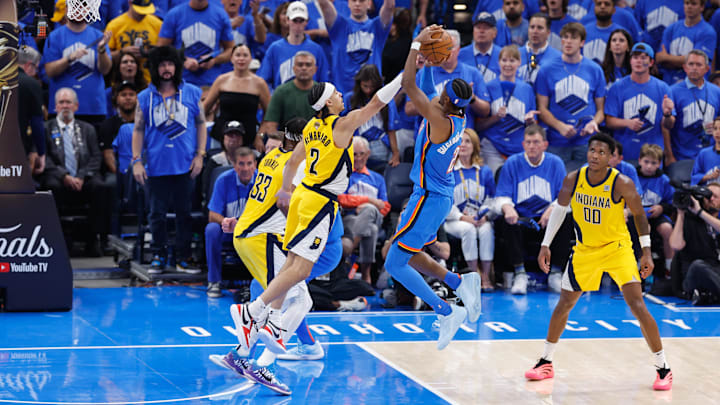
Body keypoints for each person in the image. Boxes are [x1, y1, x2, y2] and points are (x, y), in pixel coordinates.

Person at [231, 56, 405, 356]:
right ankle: (258, 316)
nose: (341, 95)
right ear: (327, 103)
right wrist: (405, 75)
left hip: (304, 199)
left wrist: (287, 190)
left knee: (289, 272)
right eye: (336, 93)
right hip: (319, 203)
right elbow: (376, 103)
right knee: (298, 279)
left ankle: (270, 326)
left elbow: (295, 161)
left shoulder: (312, 126)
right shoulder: (341, 124)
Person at [525, 132, 673, 391]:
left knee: (637, 304)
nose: (595, 155)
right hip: (585, 251)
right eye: (592, 150)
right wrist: (545, 244)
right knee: (564, 304)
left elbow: (639, 217)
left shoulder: (622, 183)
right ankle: (545, 361)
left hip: (617, 249)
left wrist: (646, 252)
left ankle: (663, 367)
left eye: (602, 152)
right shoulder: (574, 178)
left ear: (612, 158)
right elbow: (560, 210)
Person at [383, 24, 482, 351]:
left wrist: (417, 44)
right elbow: (424, 84)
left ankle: (446, 309)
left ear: (446, 100)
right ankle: (460, 282)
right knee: (410, 255)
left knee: (394, 262)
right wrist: (427, 59)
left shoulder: (438, 119)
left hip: (428, 198)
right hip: (432, 196)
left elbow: (409, 84)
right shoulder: (454, 115)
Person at [131, 46, 206, 274]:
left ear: (177, 66)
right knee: (157, 214)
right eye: (162, 64)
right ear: (155, 68)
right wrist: (136, 160)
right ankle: (158, 256)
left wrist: (200, 155)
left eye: (170, 64)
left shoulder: (192, 92)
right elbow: (138, 129)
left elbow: (201, 123)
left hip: (185, 164)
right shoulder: (144, 97)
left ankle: (183, 258)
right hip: (156, 166)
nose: (166, 69)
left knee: (184, 213)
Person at [494, 124, 570, 294]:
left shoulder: (555, 163)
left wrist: (552, 210)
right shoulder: (512, 163)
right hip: (522, 219)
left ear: (545, 144)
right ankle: (520, 273)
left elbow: (565, 196)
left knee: (565, 216)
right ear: (523, 145)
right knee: (506, 218)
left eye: (536, 142)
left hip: (546, 219)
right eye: (528, 142)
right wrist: (508, 208)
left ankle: (556, 273)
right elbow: (502, 196)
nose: (532, 146)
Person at [39, 88, 109, 257]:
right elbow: (44, 158)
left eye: (68, 102)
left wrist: (81, 177)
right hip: (57, 178)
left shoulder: (88, 129)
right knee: (50, 186)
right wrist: (64, 176)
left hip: (84, 178)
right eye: (61, 102)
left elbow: (96, 157)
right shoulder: (45, 128)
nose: (65, 106)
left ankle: (93, 240)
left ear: (76, 106)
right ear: (55, 106)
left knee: (100, 186)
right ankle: (56, 240)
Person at [535, 22, 605, 173]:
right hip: (556, 141)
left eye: (573, 38)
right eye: (565, 37)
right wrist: (559, 126)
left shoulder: (595, 70)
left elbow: (601, 110)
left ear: (582, 42)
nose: (568, 41)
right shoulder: (546, 69)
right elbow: (542, 108)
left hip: (586, 142)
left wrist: (594, 122)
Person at [443, 128, 496, 291]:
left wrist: (484, 216)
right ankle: (474, 276)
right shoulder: (448, 170)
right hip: (454, 221)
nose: (463, 145)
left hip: (479, 218)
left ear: (475, 146)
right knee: (468, 230)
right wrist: (462, 217)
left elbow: (491, 199)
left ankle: (486, 276)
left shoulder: (484, 171)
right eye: (460, 141)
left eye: (467, 141)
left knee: (487, 229)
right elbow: (444, 201)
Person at [41, 6, 112, 126]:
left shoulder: (97, 36)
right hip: (62, 108)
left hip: (93, 108)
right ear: (66, 9)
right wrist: (69, 58)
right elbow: (49, 71)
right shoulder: (54, 37)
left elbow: (105, 70)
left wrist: (101, 50)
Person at [604, 43, 675, 161]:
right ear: (630, 61)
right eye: (635, 57)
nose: (639, 61)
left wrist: (667, 114)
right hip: (624, 154)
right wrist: (627, 123)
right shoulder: (617, 87)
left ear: (651, 62)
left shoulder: (663, 88)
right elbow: (608, 121)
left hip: (652, 157)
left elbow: (669, 125)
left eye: (643, 58)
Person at [475, 44, 538, 174]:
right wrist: (496, 118)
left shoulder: (527, 89)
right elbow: (478, 126)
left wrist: (530, 122)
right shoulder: (489, 87)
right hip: (492, 147)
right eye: (504, 60)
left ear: (519, 63)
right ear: (498, 62)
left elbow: (534, 126)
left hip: (519, 147)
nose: (507, 64)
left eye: (512, 60)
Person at [205, 146, 256, 298]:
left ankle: (262, 281)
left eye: (249, 163)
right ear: (234, 165)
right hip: (229, 230)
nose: (245, 168)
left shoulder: (263, 181)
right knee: (212, 229)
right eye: (241, 164)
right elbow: (212, 214)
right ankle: (214, 281)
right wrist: (226, 221)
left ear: (255, 165)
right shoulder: (223, 180)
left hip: (254, 231)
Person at [339, 136, 391, 285]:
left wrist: (368, 207)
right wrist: (369, 201)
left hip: (376, 217)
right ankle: (366, 274)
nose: (358, 158)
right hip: (350, 219)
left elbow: (385, 206)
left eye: (361, 154)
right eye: (354, 154)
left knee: (369, 212)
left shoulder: (378, 179)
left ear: (368, 154)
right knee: (372, 230)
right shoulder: (344, 176)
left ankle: (348, 252)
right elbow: (341, 199)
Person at [203, 44, 271, 151]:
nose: (241, 59)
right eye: (238, 55)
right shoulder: (221, 80)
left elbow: (269, 115)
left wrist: (260, 136)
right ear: (231, 58)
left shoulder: (259, 84)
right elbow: (205, 108)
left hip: (249, 138)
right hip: (221, 137)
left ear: (250, 58)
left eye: (245, 55)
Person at [317, 0, 395, 93]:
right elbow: (323, 4)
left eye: (361, 1)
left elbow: (389, 6)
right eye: (354, 0)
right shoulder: (339, 25)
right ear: (348, 3)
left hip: (371, 93)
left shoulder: (377, 27)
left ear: (369, 4)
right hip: (343, 92)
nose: (357, 4)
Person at [156, 0, 234, 87]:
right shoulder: (174, 14)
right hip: (180, 81)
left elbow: (230, 49)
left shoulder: (220, 15)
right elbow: (161, 49)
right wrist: (182, 60)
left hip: (211, 82)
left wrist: (214, 60)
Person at [257, 1, 329, 90]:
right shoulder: (275, 48)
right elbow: (264, 80)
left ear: (306, 22)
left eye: (301, 20)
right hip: (282, 101)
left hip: (309, 101)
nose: (297, 25)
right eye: (295, 20)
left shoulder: (317, 50)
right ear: (287, 20)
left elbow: (324, 82)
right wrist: (274, 98)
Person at [669, 182, 720, 305]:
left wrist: (701, 213)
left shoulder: (715, 221)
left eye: (715, 196)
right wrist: (681, 214)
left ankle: (710, 295)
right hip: (693, 275)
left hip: (715, 271)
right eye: (708, 195)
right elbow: (676, 245)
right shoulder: (689, 219)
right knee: (698, 266)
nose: (710, 199)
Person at [343, 64, 400, 171]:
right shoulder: (349, 98)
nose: (369, 90)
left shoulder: (387, 99)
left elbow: (391, 129)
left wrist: (396, 153)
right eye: (365, 86)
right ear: (359, 83)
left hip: (380, 145)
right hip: (356, 144)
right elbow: (344, 127)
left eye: (372, 87)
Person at [667, 50, 720, 163]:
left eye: (699, 64)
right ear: (685, 67)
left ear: (707, 69)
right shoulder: (672, 91)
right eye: (691, 64)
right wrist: (669, 156)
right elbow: (666, 127)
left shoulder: (717, 92)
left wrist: (716, 124)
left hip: (712, 155)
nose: (694, 68)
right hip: (681, 156)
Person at [257, 51, 318, 137]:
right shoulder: (281, 92)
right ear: (293, 69)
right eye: (300, 65)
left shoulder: (322, 92)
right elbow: (271, 125)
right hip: (287, 142)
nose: (304, 68)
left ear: (315, 69)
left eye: (308, 65)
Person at [656, 0, 716, 85]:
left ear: (702, 7)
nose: (689, 7)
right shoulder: (671, 28)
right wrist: (682, 60)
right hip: (669, 83)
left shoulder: (707, 32)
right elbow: (659, 58)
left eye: (693, 4)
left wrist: (667, 58)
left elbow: (697, 61)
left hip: (695, 85)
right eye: (687, 3)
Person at [637, 143, 675, 275]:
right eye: (646, 161)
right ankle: (639, 266)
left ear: (659, 164)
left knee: (667, 229)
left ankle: (670, 267)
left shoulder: (664, 180)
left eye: (653, 163)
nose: (649, 166)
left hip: (657, 215)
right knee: (644, 228)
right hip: (636, 216)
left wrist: (661, 207)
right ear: (639, 160)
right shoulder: (632, 176)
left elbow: (671, 202)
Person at [105, 0, 162, 83]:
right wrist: (122, 52)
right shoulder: (114, 25)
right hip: (122, 82)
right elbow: (105, 57)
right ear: (130, 3)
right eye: (140, 11)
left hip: (150, 80)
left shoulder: (157, 24)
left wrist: (149, 53)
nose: (142, 14)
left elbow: (165, 53)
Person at [18, 46, 46, 176]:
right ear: (29, 65)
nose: (35, 73)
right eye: (36, 69)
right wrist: (41, 152)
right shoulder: (31, 84)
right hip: (16, 146)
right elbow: (36, 123)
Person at [517, 13, 561, 86]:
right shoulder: (516, 54)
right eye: (532, 27)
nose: (535, 31)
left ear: (548, 32)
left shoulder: (557, 58)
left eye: (540, 28)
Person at [458, 12, 502, 84]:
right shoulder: (460, 55)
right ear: (473, 31)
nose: (481, 31)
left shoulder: (502, 55)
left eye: (486, 28)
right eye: (478, 27)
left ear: (495, 33)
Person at [582, 0, 628, 65]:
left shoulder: (622, 33)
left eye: (607, 4)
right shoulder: (584, 31)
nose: (602, 6)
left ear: (614, 10)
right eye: (599, 4)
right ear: (594, 8)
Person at [105, 51, 148, 118]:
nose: (129, 64)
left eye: (132, 61)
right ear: (118, 67)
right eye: (125, 62)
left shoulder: (146, 91)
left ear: (137, 67)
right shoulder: (109, 93)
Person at [690, 117, 720, 185]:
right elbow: (694, 178)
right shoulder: (704, 153)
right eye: (715, 128)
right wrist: (710, 176)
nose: (718, 132)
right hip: (707, 192)